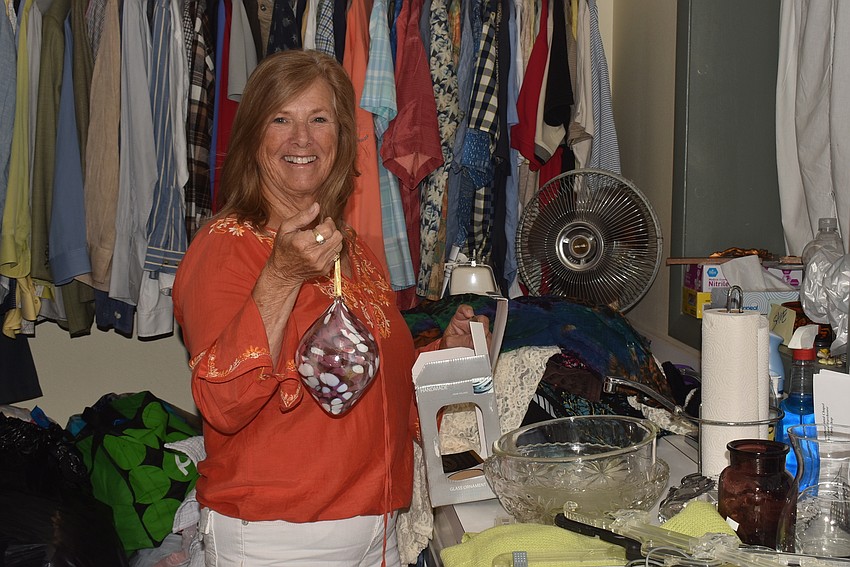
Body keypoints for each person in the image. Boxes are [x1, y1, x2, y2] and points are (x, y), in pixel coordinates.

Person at [172, 50, 489, 566]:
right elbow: (223, 403)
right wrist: (281, 275)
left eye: (319, 119)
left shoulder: (353, 249)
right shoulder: (225, 247)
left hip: (376, 527)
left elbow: (371, 384)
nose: (302, 139)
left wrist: (439, 356)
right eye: (281, 119)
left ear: (341, 138)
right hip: (279, 538)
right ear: (254, 137)